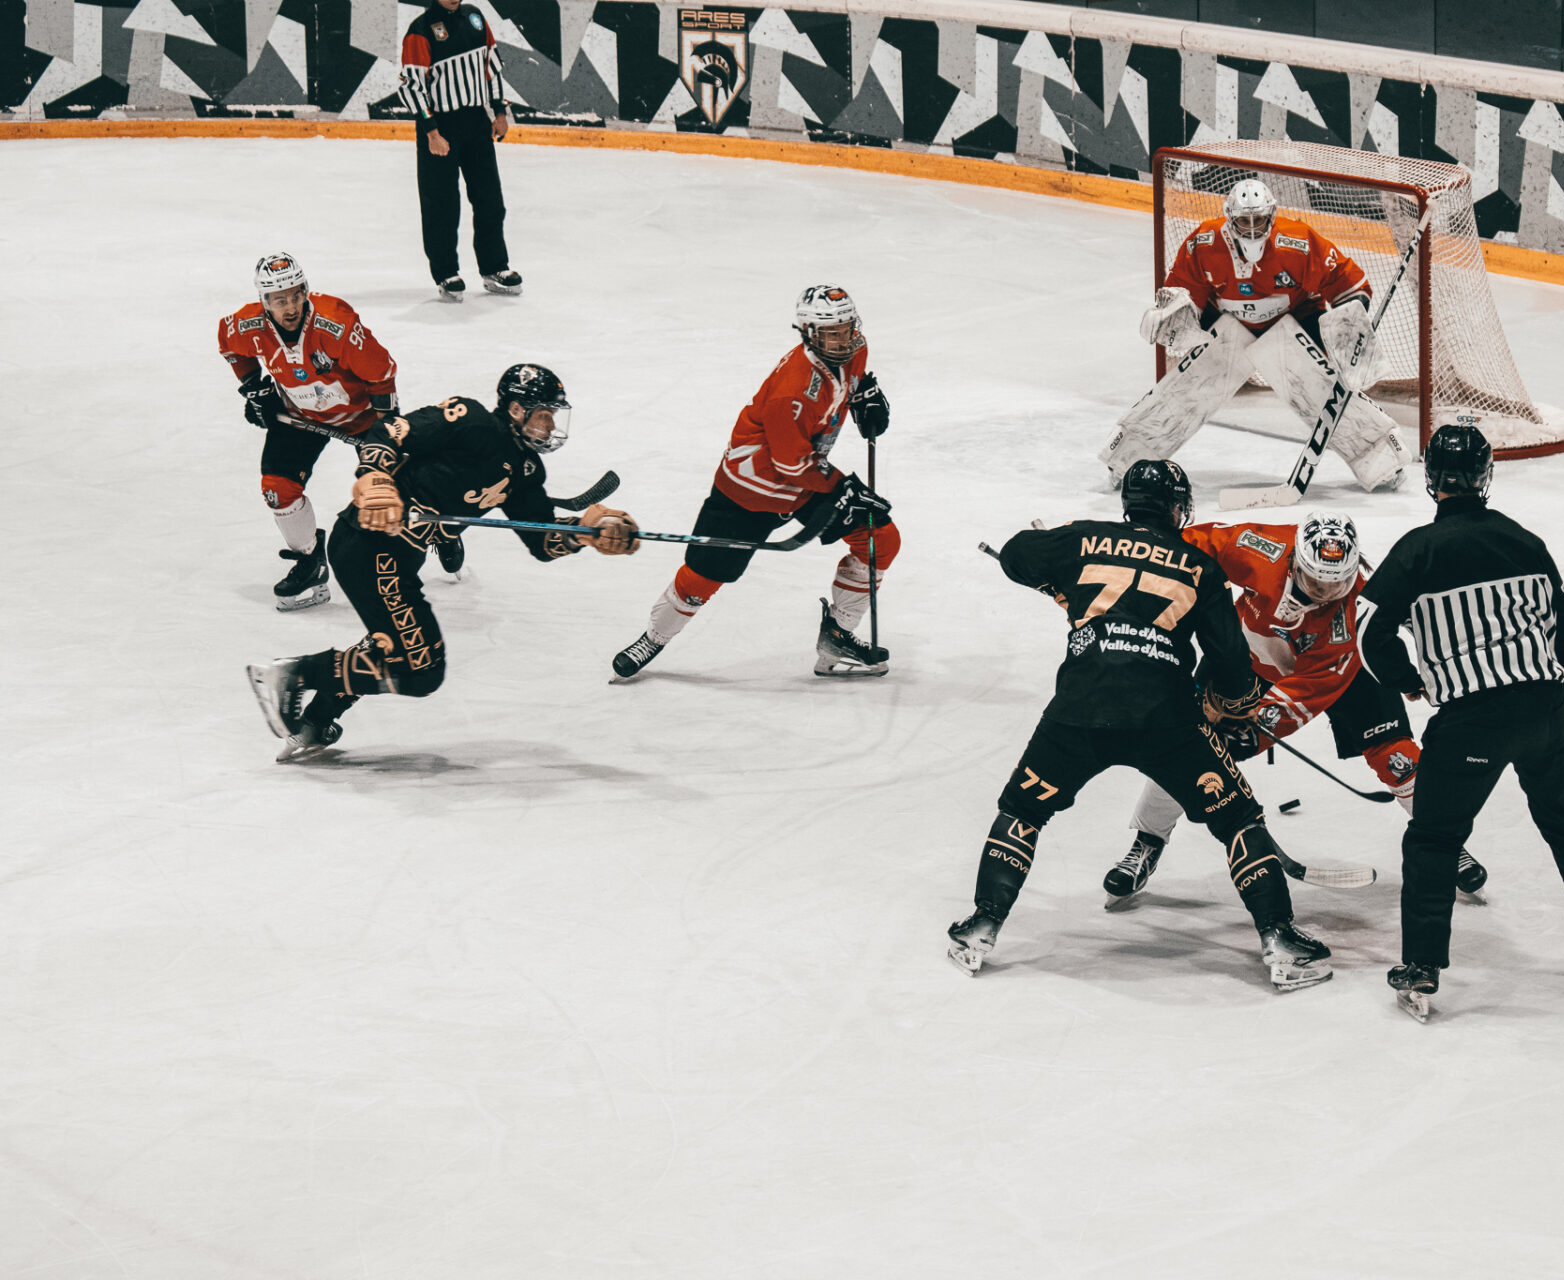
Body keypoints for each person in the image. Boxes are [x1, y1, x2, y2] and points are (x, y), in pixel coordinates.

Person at [946, 459, 1334, 992]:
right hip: (1166, 719)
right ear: (1179, 509)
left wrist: (1061, 570)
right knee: (1239, 819)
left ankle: (982, 925)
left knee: (1023, 811)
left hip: (1079, 711)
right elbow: (1230, 665)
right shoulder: (1201, 567)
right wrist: (1238, 701)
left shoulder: (1083, 539)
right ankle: (1280, 939)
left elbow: (1014, 555)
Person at [1356, 418, 1564, 1021]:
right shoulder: (1524, 540)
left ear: (1432, 479)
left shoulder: (1417, 550)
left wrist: (1408, 680)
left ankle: (1422, 967)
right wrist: (1550, 694)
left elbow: (1369, 631)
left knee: (1434, 839)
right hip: (1547, 711)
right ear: (1485, 476)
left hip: (1470, 721)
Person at [245, 364, 637, 761]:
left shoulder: (525, 469)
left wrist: (587, 532)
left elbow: (542, 541)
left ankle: (315, 720)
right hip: (369, 545)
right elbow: (389, 431)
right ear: (517, 409)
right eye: (545, 414)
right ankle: (293, 675)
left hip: (397, 558)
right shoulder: (471, 420)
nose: (551, 426)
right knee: (421, 671)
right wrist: (375, 478)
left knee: (395, 651)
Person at [1103, 511, 1487, 906]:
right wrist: (1133, 567)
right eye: (1316, 581)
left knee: (1396, 756)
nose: (1324, 592)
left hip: (1348, 672)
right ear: (1295, 562)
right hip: (1249, 661)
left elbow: (1309, 689)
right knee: (1191, 750)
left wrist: (1255, 726)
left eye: (1335, 583)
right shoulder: (1261, 548)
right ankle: (1147, 841)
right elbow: (1190, 545)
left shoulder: (1352, 611)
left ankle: (1443, 841)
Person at [610, 284, 896, 680]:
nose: (843, 340)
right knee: (702, 578)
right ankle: (654, 638)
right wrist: (840, 487)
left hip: (805, 478)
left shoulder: (856, 351)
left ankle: (837, 637)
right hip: (751, 487)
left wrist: (863, 395)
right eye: (832, 333)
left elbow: (848, 385)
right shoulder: (792, 390)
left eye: (847, 328)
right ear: (809, 333)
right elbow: (791, 464)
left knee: (879, 538)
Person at [1101, 177, 1409, 493]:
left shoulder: (1298, 242)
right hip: (1227, 323)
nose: (1251, 228)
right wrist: (1171, 316)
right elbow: (1184, 294)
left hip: (1295, 318)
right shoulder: (1204, 243)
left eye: (1258, 220)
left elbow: (1350, 284)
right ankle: (1130, 457)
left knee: (1320, 388)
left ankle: (1382, 454)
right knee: (1191, 384)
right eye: (1243, 221)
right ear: (1229, 218)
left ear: (1271, 216)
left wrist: (1350, 327)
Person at [218, 253, 402, 609]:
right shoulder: (247, 325)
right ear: (264, 301)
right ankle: (310, 560)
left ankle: (435, 534)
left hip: (362, 417)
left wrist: (386, 431)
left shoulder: (336, 324)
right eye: (279, 300)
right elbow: (229, 346)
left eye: (296, 295)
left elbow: (381, 374)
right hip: (299, 415)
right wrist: (255, 389)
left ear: (305, 290)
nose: (290, 307)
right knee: (277, 490)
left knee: (391, 490)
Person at [398, 0, 520, 301]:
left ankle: (494, 267)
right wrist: (431, 131)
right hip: (441, 126)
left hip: (477, 121)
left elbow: (492, 69)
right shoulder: (420, 30)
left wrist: (499, 112)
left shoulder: (475, 17)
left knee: (490, 199)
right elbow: (413, 87)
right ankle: (446, 272)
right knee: (441, 203)